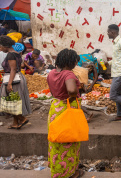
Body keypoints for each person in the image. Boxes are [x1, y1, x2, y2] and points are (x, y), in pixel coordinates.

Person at [46, 49, 84, 178]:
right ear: (70, 61)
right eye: (75, 61)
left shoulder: (51, 73)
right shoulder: (69, 74)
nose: (75, 64)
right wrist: (72, 98)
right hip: (67, 109)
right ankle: (71, 173)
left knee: (56, 141)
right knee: (69, 142)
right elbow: (72, 90)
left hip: (55, 108)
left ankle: (57, 171)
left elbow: (54, 90)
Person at [0, 36, 31, 129]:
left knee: (9, 101)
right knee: (14, 102)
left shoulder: (10, 55)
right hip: (17, 78)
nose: (0, 49)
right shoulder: (17, 53)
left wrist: (9, 83)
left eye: (0, 47)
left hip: (13, 80)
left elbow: (13, 69)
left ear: (5, 46)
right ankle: (15, 123)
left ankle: (22, 119)